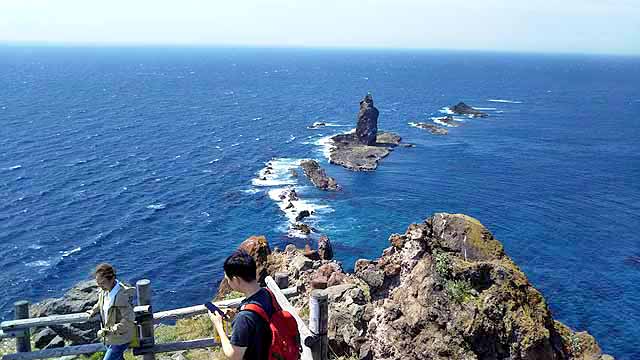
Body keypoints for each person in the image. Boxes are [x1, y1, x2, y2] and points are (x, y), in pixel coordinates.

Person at [208, 250, 274, 360]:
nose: (227, 282)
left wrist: (219, 325)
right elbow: (259, 325)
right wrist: (235, 317)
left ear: (236, 279)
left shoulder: (244, 318)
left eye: (228, 279)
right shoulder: (267, 293)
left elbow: (233, 355)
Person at [86, 263, 136, 360]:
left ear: (112, 279)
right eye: (98, 283)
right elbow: (101, 303)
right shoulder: (104, 291)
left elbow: (129, 318)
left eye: (102, 283)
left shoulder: (121, 295)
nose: (100, 286)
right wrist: (93, 310)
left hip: (120, 338)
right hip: (110, 338)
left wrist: (112, 330)